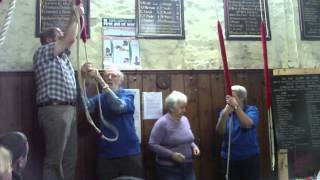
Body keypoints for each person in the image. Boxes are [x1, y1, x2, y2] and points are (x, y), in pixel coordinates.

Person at [33, 3, 84, 180]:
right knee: (55, 161)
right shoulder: (43, 52)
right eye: (58, 34)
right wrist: (75, 14)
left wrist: (77, 16)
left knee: (70, 159)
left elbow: (71, 38)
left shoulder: (64, 59)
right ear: (49, 40)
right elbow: (70, 38)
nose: (63, 35)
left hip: (69, 110)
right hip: (54, 111)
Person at [81, 63, 143, 180]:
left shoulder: (128, 95)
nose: (109, 78)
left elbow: (118, 107)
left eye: (113, 76)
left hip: (129, 153)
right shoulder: (101, 98)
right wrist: (82, 78)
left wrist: (100, 79)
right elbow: (87, 107)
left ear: (120, 80)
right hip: (106, 154)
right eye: (106, 76)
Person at [148, 91, 200, 180]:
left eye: (185, 107)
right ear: (171, 108)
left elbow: (187, 138)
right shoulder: (162, 122)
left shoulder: (185, 120)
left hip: (188, 166)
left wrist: (194, 146)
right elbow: (152, 144)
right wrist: (172, 155)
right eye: (181, 107)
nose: (185, 110)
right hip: (169, 169)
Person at [216, 85, 260, 180]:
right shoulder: (225, 112)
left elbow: (247, 124)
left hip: (249, 159)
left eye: (233, 97)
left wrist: (236, 107)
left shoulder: (252, 110)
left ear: (242, 98)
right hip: (229, 159)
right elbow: (220, 131)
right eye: (228, 97)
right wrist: (224, 114)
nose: (229, 100)